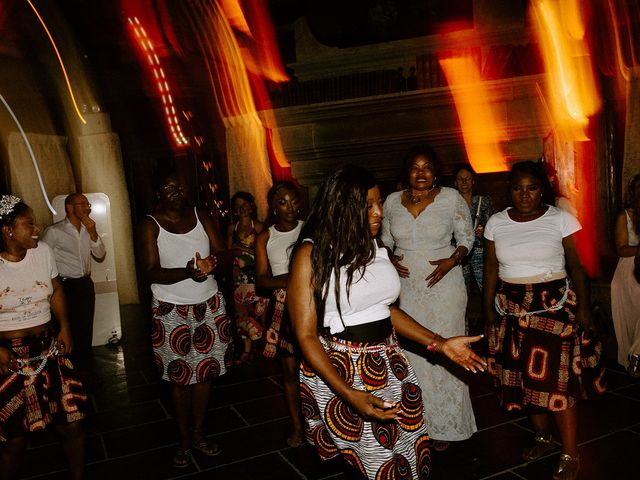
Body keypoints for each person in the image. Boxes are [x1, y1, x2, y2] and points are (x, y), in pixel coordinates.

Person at [288, 165, 486, 479]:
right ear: (343, 208)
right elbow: (305, 335)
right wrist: (348, 394)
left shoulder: (374, 246)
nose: (379, 211)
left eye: (379, 202)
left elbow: (386, 311)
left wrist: (440, 342)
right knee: (376, 466)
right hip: (343, 370)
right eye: (368, 205)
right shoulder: (311, 255)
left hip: (389, 361)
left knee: (409, 456)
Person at [483, 161, 606, 480]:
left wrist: (584, 310)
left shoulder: (561, 219)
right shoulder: (496, 222)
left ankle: (571, 452)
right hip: (511, 308)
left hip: (555, 307)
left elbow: (577, 268)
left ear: (543, 190)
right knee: (527, 382)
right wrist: (487, 314)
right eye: (517, 188)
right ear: (509, 190)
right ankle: (542, 437)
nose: (524, 195)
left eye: (532, 187)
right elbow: (491, 271)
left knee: (557, 383)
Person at [381, 145, 477, 451]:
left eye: (427, 167)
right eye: (414, 167)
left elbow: (466, 237)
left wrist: (452, 260)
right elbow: (383, 239)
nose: (421, 173)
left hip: (444, 285)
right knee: (412, 354)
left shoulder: (450, 198)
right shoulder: (392, 201)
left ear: (435, 172)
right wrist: (389, 258)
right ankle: (417, 421)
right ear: (406, 172)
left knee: (446, 350)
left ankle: (447, 427)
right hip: (405, 288)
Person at [137, 172, 232, 468]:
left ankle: (199, 433)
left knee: (204, 373)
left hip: (209, 304)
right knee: (179, 379)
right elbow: (151, 271)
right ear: (158, 194)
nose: (175, 190)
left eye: (179, 186)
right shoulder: (149, 225)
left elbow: (223, 253)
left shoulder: (200, 214)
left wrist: (211, 263)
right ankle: (184, 442)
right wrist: (187, 271)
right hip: (170, 310)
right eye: (168, 187)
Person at [0, 195, 86, 480]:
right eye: (28, 224)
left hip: (47, 346)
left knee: (70, 420)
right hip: (8, 354)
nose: (36, 229)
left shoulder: (43, 252)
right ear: (8, 230)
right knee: (14, 436)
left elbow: (57, 289)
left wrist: (64, 327)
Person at [255, 181, 305, 447]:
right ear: (273, 207)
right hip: (282, 309)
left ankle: (319, 425)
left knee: (317, 368)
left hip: (310, 304)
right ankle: (297, 427)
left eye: (294, 201)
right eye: (283, 202)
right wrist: (293, 278)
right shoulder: (266, 236)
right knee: (288, 372)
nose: (290, 207)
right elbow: (262, 281)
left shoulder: (309, 228)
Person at [42, 193, 106, 361]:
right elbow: (43, 260)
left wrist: (93, 233)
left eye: (88, 204)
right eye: (82, 204)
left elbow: (100, 254)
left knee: (85, 326)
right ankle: (66, 367)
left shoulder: (88, 228)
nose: (87, 208)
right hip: (64, 285)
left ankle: (85, 364)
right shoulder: (54, 231)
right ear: (69, 208)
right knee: (65, 327)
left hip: (85, 284)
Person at [226, 191, 268, 365]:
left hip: (255, 274)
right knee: (242, 314)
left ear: (251, 206)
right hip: (238, 277)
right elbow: (227, 252)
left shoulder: (258, 227)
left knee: (258, 312)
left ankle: (261, 349)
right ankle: (247, 350)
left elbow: (264, 252)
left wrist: (244, 251)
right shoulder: (232, 228)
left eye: (244, 204)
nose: (241, 208)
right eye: (237, 206)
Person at [611, 173, 640, 377]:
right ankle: (633, 356)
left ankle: (637, 355)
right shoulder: (625, 216)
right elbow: (621, 249)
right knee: (630, 320)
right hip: (630, 268)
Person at [452, 163, 495, 293]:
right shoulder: (450, 204)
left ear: (473, 181)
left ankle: (490, 311)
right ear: (455, 182)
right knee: (460, 291)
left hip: (479, 251)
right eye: (460, 179)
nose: (464, 182)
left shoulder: (484, 201)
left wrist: (484, 232)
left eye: (468, 178)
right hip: (459, 252)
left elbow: (493, 227)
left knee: (486, 287)